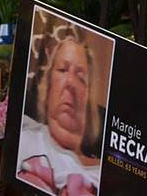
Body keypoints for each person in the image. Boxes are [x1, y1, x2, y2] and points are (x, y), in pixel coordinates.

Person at [17, 25, 102, 196]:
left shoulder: (105, 173)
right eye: (62, 70)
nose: (70, 82)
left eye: (81, 78)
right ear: (47, 87)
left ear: (89, 101)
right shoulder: (22, 132)